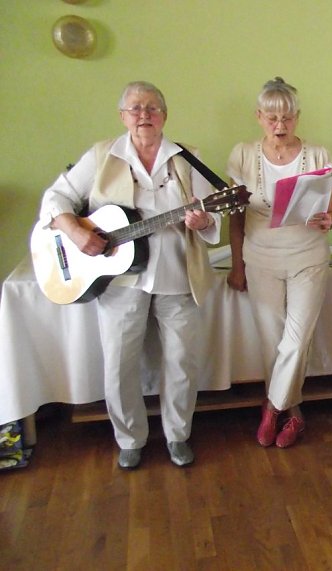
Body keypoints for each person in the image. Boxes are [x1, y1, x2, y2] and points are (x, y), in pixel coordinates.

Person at [38, 81, 221, 469]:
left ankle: (177, 435)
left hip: (177, 275)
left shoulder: (188, 158)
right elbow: (55, 199)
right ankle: (130, 437)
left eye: (152, 108)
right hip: (117, 281)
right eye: (135, 109)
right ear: (122, 116)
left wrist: (204, 220)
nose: (144, 115)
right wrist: (75, 231)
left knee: (182, 361)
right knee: (120, 363)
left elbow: (213, 220)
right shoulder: (102, 155)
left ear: (165, 115)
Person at [226, 77, 332, 449]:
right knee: (272, 341)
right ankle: (295, 412)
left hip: (308, 256)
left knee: (296, 339)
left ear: (297, 117)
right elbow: (236, 217)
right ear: (259, 116)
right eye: (272, 117)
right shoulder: (242, 154)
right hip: (259, 257)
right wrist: (237, 265)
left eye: (287, 117)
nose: (280, 125)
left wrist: (328, 220)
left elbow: (331, 213)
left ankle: (272, 408)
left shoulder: (319, 154)